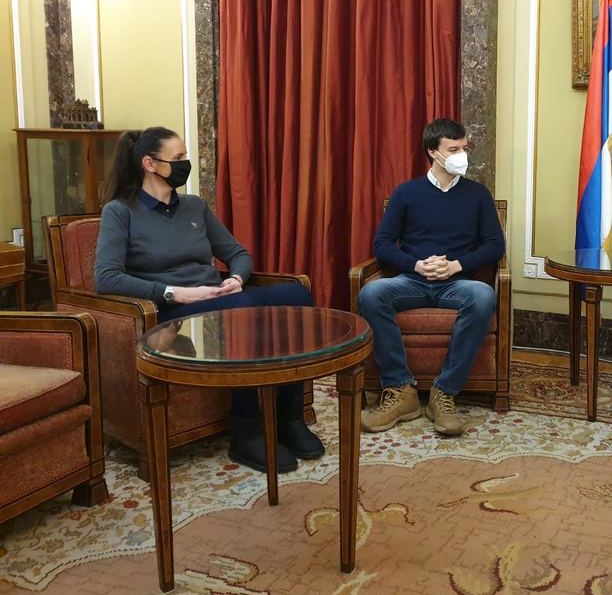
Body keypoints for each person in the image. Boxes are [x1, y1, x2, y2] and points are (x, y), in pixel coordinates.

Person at [94, 126, 324, 474]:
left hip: (218, 296)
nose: (185, 164)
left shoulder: (194, 206)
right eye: (178, 158)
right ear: (149, 164)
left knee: (296, 295)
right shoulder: (120, 211)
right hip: (173, 309)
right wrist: (174, 292)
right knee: (244, 310)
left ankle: (288, 418)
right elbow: (106, 277)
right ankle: (247, 432)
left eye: (185, 156)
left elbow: (237, 253)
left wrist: (235, 279)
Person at [359, 118, 505, 436]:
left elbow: (495, 245)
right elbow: (382, 244)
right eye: (453, 149)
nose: (462, 155)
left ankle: (444, 392)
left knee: (483, 296)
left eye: (464, 148)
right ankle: (401, 391)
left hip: (457, 283)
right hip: (412, 281)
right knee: (371, 293)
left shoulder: (478, 194)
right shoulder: (406, 193)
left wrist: (456, 265)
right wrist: (416, 265)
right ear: (433, 152)